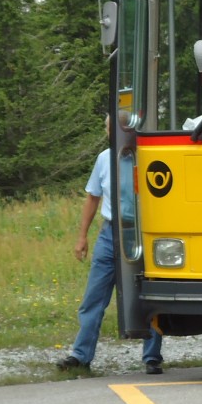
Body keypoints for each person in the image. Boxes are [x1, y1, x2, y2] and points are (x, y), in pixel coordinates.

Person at [56, 114, 164, 375]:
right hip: (109, 233)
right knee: (94, 296)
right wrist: (82, 237)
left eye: (121, 128)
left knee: (147, 296)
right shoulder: (104, 158)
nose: (114, 133)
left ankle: (152, 357)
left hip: (141, 232)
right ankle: (81, 356)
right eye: (111, 129)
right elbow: (92, 197)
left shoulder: (147, 156)